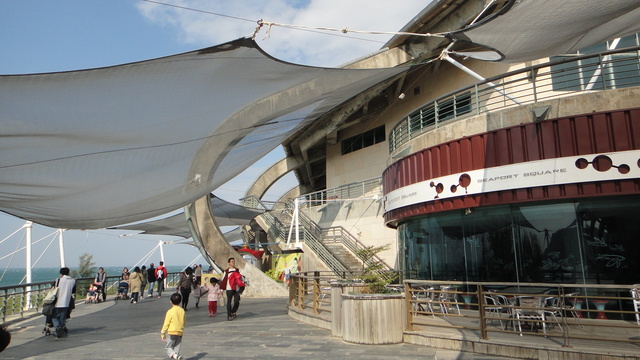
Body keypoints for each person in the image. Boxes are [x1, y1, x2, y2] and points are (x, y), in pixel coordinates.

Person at [52, 267, 76, 338]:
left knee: (54, 317)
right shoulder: (73, 281)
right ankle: (60, 330)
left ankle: (57, 327)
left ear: (61, 273)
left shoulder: (58, 280)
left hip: (57, 302)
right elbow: (73, 291)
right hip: (67, 302)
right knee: (62, 318)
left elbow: (53, 289)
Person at [161, 293, 185, 360]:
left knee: (169, 347)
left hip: (171, 332)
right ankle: (177, 356)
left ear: (170, 301)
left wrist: (163, 333)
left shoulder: (170, 311)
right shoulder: (182, 310)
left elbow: (166, 323)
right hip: (180, 332)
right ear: (180, 301)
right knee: (176, 348)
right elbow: (183, 321)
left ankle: (175, 356)